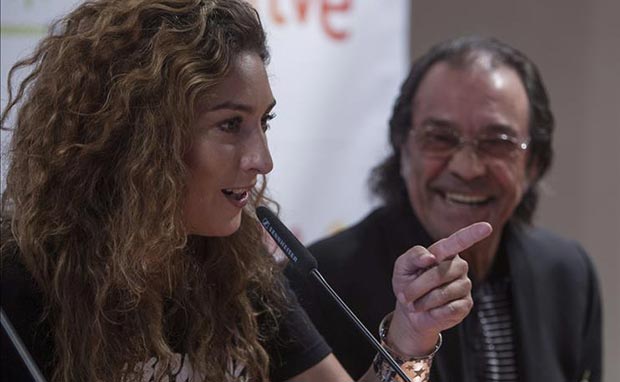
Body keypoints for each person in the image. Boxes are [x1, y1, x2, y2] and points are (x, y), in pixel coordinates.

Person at [0, 1, 492, 381]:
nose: (263, 160)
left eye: (264, 121)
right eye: (231, 124)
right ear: (139, 137)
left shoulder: (237, 269)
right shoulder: (24, 280)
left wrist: (409, 335)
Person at [288, 36, 602, 382]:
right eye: (440, 138)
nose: (467, 168)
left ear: (534, 163)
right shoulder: (322, 283)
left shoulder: (567, 274)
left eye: (497, 142)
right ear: (402, 149)